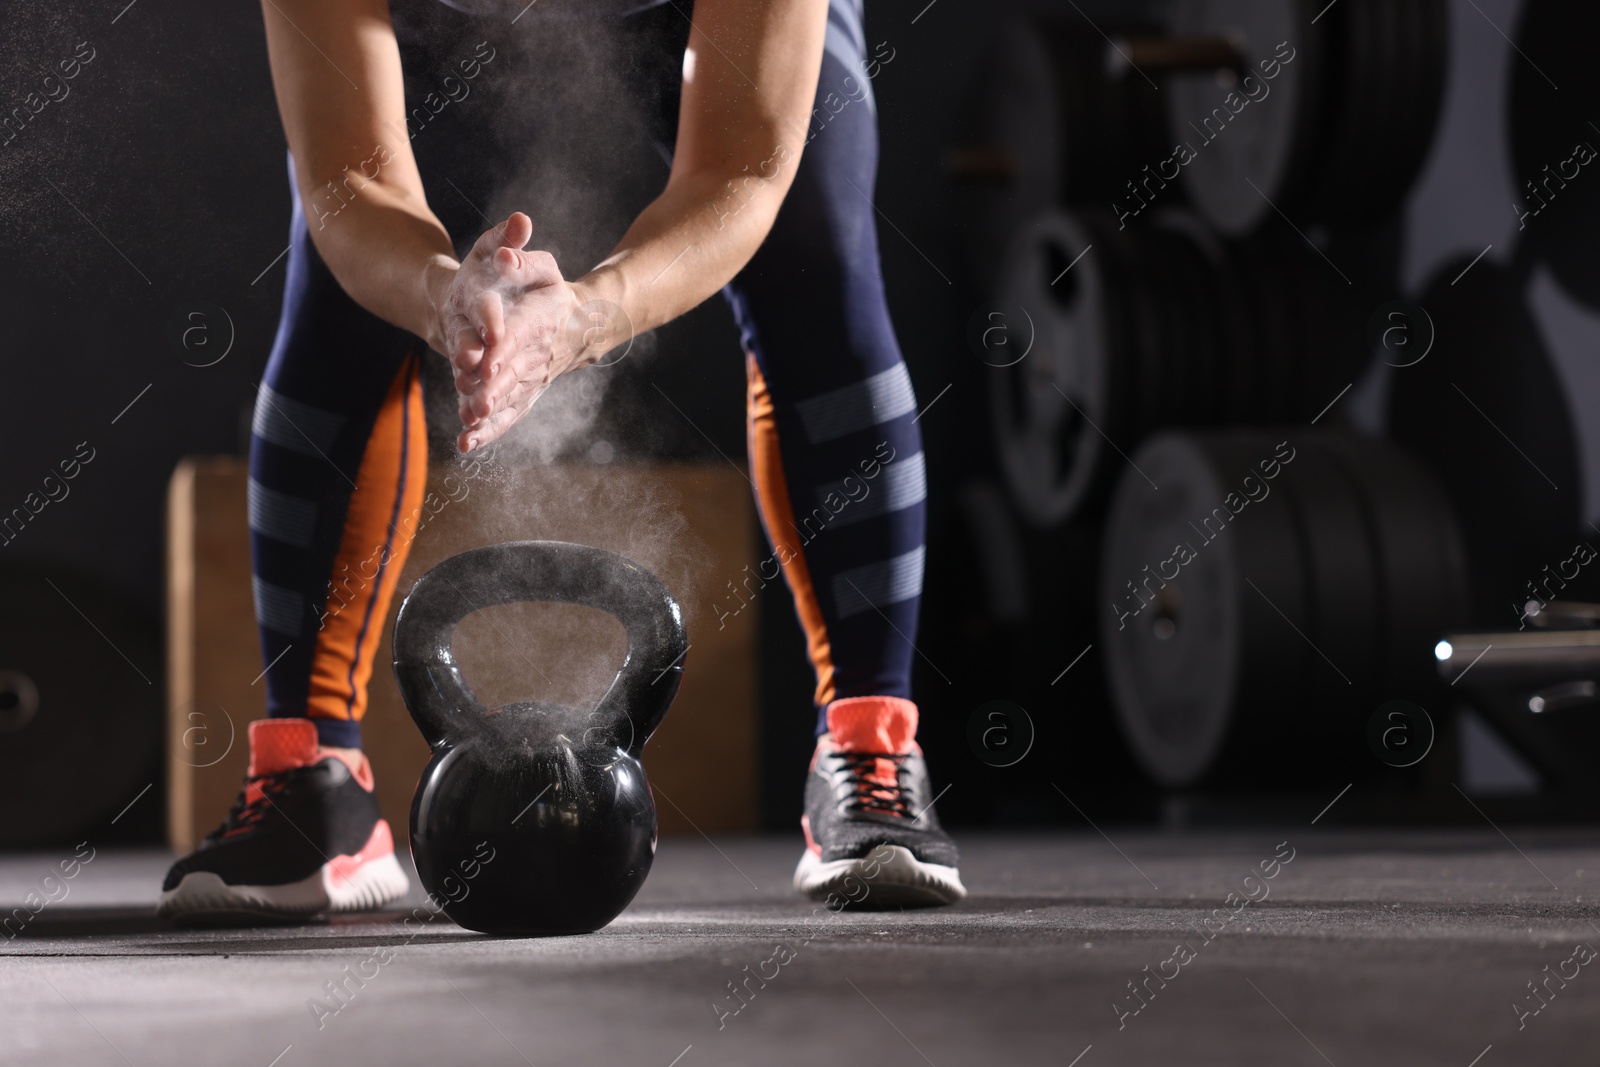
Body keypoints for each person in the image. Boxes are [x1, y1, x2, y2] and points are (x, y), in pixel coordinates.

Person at [158, 0, 964, 922]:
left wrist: (586, 317)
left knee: (817, 252)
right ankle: (312, 777)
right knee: (336, 296)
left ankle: (869, 747)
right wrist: (439, 299)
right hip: (423, 40)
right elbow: (350, 180)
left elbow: (741, 170)